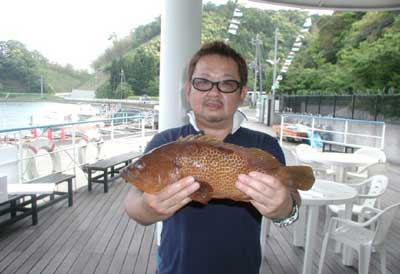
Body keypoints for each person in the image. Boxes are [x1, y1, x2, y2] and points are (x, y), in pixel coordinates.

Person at [124, 41, 301, 274]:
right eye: (203, 82)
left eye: (227, 84)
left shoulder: (264, 145)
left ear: (242, 94)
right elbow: (132, 203)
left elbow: (294, 200)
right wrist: (148, 208)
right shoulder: (165, 143)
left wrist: (283, 209)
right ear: (188, 90)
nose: (214, 92)